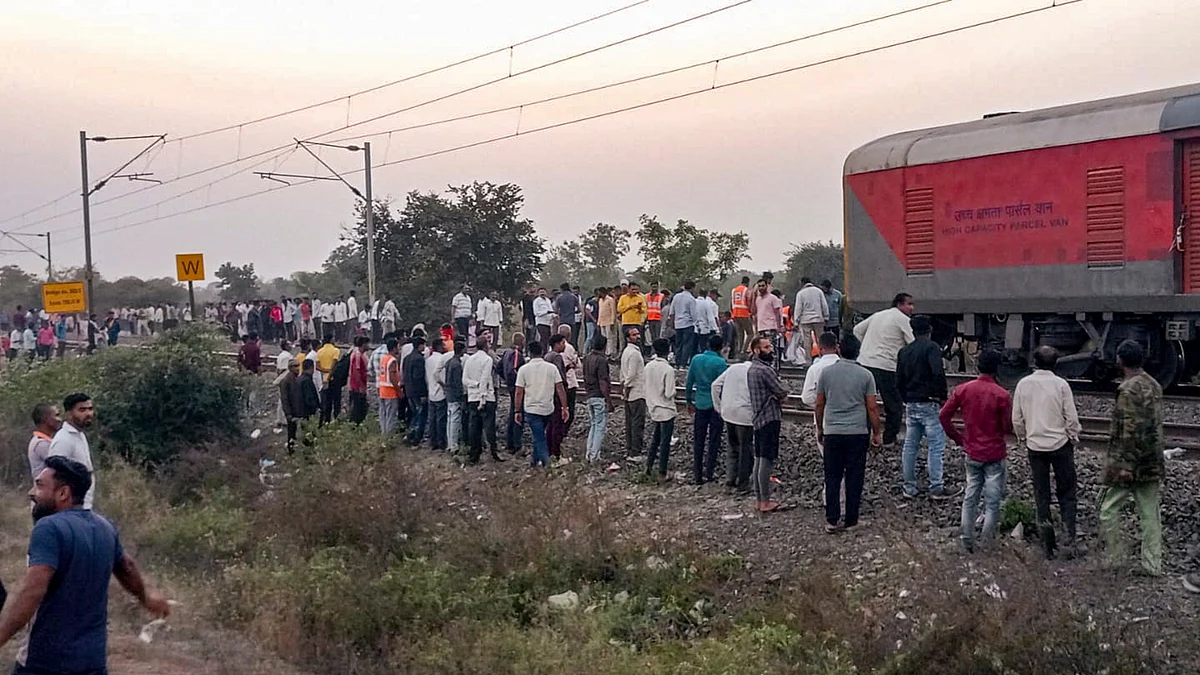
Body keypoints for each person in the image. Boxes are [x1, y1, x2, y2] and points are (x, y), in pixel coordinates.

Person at [0, 456, 170, 675]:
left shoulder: (48, 527)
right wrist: (146, 598)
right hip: (92, 662)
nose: (31, 492)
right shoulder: (104, 526)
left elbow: (32, 591)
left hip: (46, 662)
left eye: (40, 486)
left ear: (63, 493)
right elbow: (126, 567)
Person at [1100, 340, 1165, 576]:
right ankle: (1152, 564)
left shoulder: (1128, 390)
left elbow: (1128, 430)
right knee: (1150, 515)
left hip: (1129, 464)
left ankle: (1116, 557)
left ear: (1120, 360)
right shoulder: (1154, 385)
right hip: (1152, 461)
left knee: (1108, 510)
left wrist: (1125, 466)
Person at [1012, 345, 1082, 559]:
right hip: (1060, 445)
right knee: (1067, 493)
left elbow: (1016, 418)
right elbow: (1071, 417)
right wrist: (1073, 435)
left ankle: (1047, 543)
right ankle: (1069, 537)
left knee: (1042, 495)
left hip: (1035, 446)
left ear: (1035, 362)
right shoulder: (1061, 385)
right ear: (1055, 363)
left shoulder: (1023, 384)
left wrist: (1023, 436)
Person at [939, 349, 1012, 552]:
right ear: (997, 369)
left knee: (970, 495)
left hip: (972, 451)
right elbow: (1006, 427)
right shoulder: (1002, 395)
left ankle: (966, 537)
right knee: (993, 499)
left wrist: (958, 438)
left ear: (978, 366)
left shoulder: (963, 389)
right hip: (995, 452)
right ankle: (987, 542)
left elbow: (944, 416)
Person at [815, 334, 882, 532]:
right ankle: (852, 519)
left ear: (839, 350)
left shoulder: (826, 373)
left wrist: (820, 428)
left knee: (832, 475)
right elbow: (872, 408)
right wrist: (876, 432)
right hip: (857, 432)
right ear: (858, 352)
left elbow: (819, 404)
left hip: (833, 431)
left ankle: (832, 519)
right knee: (854, 476)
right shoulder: (866, 375)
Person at [896, 315, 954, 499]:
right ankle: (936, 487)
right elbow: (938, 373)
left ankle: (909, 487)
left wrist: (906, 397)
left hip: (911, 403)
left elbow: (898, 380)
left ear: (913, 331)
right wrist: (942, 396)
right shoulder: (932, 348)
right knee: (935, 446)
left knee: (910, 445)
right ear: (929, 330)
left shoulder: (904, 351)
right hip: (929, 402)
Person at [853, 292, 915, 448]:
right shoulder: (903, 319)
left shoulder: (878, 315)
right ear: (899, 305)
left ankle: (863, 438)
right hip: (886, 366)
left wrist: (866, 347)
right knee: (894, 404)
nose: (911, 307)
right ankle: (888, 439)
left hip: (865, 363)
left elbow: (857, 330)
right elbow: (913, 342)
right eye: (909, 304)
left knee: (865, 403)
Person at [747, 336, 789, 512]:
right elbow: (781, 391)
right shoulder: (765, 371)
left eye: (770, 346)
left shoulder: (752, 369)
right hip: (769, 417)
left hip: (758, 418)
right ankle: (765, 501)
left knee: (758, 459)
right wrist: (784, 389)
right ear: (757, 350)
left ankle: (759, 499)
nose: (771, 349)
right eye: (766, 347)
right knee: (767, 459)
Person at [513, 340, 568, 468]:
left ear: (530, 353)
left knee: (539, 437)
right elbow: (560, 389)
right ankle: (535, 461)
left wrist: (517, 410)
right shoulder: (551, 368)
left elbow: (518, 392)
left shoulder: (523, 370)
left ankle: (546, 464)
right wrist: (564, 407)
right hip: (548, 408)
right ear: (542, 352)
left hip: (531, 409)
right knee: (539, 435)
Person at [686, 333, 728, 484]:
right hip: (716, 406)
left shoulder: (696, 360)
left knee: (699, 439)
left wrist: (688, 400)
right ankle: (709, 472)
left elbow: (689, 382)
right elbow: (722, 387)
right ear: (721, 347)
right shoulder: (721, 363)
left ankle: (697, 473)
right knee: (714, 440)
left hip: (700, 403)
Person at [47, 393, 96, 510]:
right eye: (82, 410)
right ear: (69, 414)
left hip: (84, 507)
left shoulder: (80, 435)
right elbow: (56, 477)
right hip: (69, 509)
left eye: (90, 409)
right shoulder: (63, 439)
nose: (88, 414)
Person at [712, 358, 754, 493]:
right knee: (745, 449)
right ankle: (743, 483)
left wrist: (719, 407)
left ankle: (730, 478)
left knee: (732, 446)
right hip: (745, 415)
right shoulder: (754, 371)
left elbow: (715, 385)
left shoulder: (733, 367)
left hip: (728, 413)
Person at [464, 334, 504, 464]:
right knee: (489, 427)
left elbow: (464, 380)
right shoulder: (487, 360)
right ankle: (493, 453)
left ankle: (474, 455)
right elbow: (485, 379)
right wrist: (482, 397)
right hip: (486, 398)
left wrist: (473, 384)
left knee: (474, 428)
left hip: (472, 397)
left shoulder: (469, 360)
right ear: (486, 345)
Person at [643, 338, 677, 481]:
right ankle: (662, 471)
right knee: (664, 442)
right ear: (668, 350)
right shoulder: (668, 369)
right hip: (666, 409)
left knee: (655, 440)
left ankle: (649, 468)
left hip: (653, 408)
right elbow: (669, 393)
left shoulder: (648, 366)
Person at [582, 333, 614, 462]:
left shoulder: (586, 358)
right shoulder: (601, 361)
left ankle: (589, 453)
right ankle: (595, 456)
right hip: (599, 397)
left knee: (594, 424)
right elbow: (603, 382)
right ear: (604, 346)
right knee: (600, 427)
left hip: (589, 395)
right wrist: (609, 400)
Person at [621, 326, 647, 459]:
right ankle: (635, 452)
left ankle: (630, 449)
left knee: (630, 423)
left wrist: (624, 388)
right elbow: (631, 375)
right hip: (636, 393)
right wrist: (627, 389)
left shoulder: (626, 352)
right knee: (637, 423)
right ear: (627, 338)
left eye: (637, 334)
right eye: (634, 335)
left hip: (630, 394)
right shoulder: (635, 354)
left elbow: (623, 373)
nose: (637, 336)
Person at [792, 277, 829, 366]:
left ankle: (808, 361)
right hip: (818, 319)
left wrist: (796, 322)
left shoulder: (800, 293)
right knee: (820, 340)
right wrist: (826, 317)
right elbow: (824, 304)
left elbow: (798, 308)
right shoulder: (818, 291)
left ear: (802, 283)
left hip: (805, 320)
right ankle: (822, 358)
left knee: (807, 341)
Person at [545, 334, 571, 459]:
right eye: (562, 342)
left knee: (550, 424)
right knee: (557, 423)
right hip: (556, 394)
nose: (564, 345)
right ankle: (555, 452)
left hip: (548, 392)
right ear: (557, 344)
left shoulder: (547, 356)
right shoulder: (557, 357)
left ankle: (549, 449)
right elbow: (559, 378)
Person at [499, 333, 527, 453]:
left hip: (511, 386)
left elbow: (499, 367)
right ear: (522, 342)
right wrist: (519, 382)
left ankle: (510, 442)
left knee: (512, 413)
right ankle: (516, 443)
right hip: (516, 387)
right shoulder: (516, 353)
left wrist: (504, 379)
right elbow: (513, 370)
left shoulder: (506, 352)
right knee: (518, 413)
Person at [403, 336, 430, 446]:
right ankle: (416, 438)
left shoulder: (407, 358)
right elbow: (419, 378)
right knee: (421, 415)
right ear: (420, 346)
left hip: (409, 391)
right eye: (423, 345)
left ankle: (409, 435)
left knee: (414, 414)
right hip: (418, 392)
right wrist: (424, 393)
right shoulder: (419, 359)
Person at [426, 339, 450, 451]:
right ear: (439, 346)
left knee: (432, 418)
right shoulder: (441, 359)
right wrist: (445, 386)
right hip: (440, 392)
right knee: (441, 419)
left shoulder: (428, 360)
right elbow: (441, 376)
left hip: (431, 392)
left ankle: (433, 441)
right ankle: (441, 442)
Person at [28, 402, 61, 480]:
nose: (60, 419)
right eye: (56, 415)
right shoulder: (41, 444)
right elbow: (62, 467)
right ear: (45, 419)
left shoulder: (43, 441)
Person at [445, 340, 467, 451]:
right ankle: (454, 445)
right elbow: (458, 382)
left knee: (450, 419)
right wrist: (461, 395)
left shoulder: (449, 362)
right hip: (455, 395)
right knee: (455, 419)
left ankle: (450, 443)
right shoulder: (457, 365)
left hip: (449, 394)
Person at [279, 360, 306, 451]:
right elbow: (284, 398)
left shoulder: (298, 379)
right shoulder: (285, 381)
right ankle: (291, 450)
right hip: (291, 411)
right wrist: (288, 413)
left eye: (298, 366)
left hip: (299, 409)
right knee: (291, 432)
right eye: (295, 366)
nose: (297, 368)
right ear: (290, 368)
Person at [378, 338, 402, 435]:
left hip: (382, 391)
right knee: (391, 416)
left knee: (383, 415)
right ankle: (389, 437)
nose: (399, 348)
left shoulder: (384, 358)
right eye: (398, 347)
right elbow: (392, 377)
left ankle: (384, 435)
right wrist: (399, 391)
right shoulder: (392, 360)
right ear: (394, 348)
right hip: (390, 392)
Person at [317, 335, 341, 425]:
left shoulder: (319, 351)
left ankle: (326, 420)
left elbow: (318, 367)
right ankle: (336, 419)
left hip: (323, 378)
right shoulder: (335, 350)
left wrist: (326, 371)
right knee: (336, 400)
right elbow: (334, 365)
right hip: (333, 379)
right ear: (331, 340)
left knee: (327, 401)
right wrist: (330, 373)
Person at [672, 281, 698, 366]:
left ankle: (677, 362)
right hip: (687, 324)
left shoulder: (676, 297)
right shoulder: (691, 299)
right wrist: (696, 324)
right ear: (692, 288)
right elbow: (694, 314)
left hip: (678, 324)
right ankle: (683, 363)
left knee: (678, 344)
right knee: (687, 345)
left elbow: (672, 311)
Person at [617, 282, 647, 352]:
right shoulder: (623, 298)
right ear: (628, 289)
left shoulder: (640, 298)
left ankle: (640, 356)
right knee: (626, 341)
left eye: (636, 289)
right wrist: (630, 306)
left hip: (637, 323)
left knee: (639, 341)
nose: (634, 291)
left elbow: (644, 310)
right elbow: (619, 309)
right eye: (633, 289)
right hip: (626, 323)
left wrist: (639, 308)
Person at [347, 336, 371, 424]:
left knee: (361, 408)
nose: (369, 346)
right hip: (357, 387)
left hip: (360, 386)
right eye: (367, 344)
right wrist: (361, 386)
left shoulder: (362, 355)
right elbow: (356, 372)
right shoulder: (357, 355)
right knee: (357, 409)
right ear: (363, 344)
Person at [730, 276, 752, 359]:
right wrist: (751, 312)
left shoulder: (734, 290)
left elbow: (731, 303)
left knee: (740, 333)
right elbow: (749, 302)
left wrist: (732, 313)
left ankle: (739, 350)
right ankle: (744, 350)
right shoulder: (747, 290)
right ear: (747, 282)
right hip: (744, 313)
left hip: (735, 313)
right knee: (750, 333)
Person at [598, 287, 619, 360]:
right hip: (602, 321)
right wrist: (598, 322)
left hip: (608, 321)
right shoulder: (600, 300)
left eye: (600, 293)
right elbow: (600, 312)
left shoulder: (610, 300)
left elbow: (613, 311)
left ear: (604, 292)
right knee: (603, 338)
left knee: (609, 337)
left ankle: (610, 352)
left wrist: (612, 321)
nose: (599, 294)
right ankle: (605, 351)